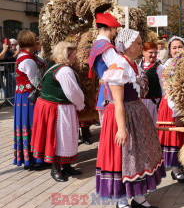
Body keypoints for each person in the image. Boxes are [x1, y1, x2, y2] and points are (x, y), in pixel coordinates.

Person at [96, 28, 166, 208]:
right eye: (137, 43)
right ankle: (121, 200)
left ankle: (139, 196)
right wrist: (121, 128)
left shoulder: (133, 64)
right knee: (123, 156)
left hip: (136, 111)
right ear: (126, 46)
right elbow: (118, 101)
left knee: (140, 155)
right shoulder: (118, 66)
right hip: (121, 115)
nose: (140, 46)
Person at [31, 42, 84, 182]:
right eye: (73, 55)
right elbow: (72, 92)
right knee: (58, 137)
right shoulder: (64, 70)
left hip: (56, 106)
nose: (75, 57)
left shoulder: (54, 65)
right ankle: (56, 169)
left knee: (66, 136)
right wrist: (80, 104)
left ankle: (66, 165)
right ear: (66, 55)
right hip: (56, 108)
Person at [157, 36, 184, 183]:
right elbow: (170, 91)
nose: (178, 50)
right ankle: (176, 171)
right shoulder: (170, 65)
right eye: (174, 47)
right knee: (175, 136)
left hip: (183, 104)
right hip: (172, 106)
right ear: (170, 51)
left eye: (180, 46)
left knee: (183, 137)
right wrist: (176, 112)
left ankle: (180, 166)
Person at [13, 29, 46, 169]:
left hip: (23, 96)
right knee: (32, 124)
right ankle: (33, 159)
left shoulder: (26, 55)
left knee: (27, 124)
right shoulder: (27, 60)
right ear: (31, 42)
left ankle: (31, 158)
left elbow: (42, 61)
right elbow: (36, 81)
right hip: (28, 97)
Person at [87, 12, 124, 128]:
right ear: (110, 28)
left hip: (104, 88)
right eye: (114, 29)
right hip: (111, 91)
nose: (115, 32)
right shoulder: (106, 47)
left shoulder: (97, 45)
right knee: (113, 128)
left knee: (107, 127)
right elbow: (120, 67)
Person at [138, 42, 163, 123]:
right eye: (151, 52)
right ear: (144, 52)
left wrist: (161, 104)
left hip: (153, 102)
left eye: (155, 52)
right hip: (139, 102)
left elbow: (163, 87)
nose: (153, 55)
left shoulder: (159, 67)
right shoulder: (137, 63)